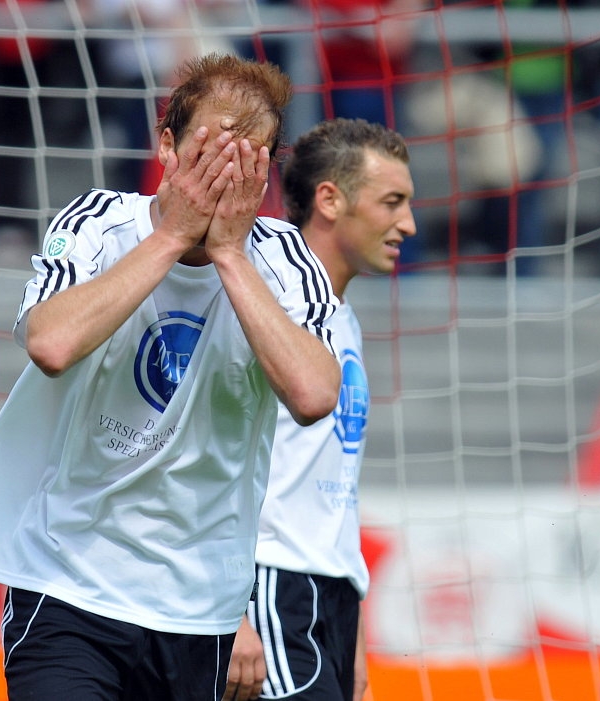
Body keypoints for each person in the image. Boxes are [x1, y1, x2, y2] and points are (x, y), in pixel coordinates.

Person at [0, 52, 341, 701]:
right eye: (211, 152)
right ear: (166, 145)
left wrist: (228, 254)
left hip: (200, 610)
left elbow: (313, 393)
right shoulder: (99, 222)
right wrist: (170, 240)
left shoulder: (284, 258)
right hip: (68, 588)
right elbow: (51, 342)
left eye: (247, 160)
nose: (224, 175)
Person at [222, 118, 417, 701]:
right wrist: (231, 611)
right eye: (392, 202)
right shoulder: (265, 307)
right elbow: (206, 458)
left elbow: (330, 485)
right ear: (329, 200)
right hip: (266, 590)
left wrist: (351, 634)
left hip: (328, 596)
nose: (408, 223)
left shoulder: (341, 319)